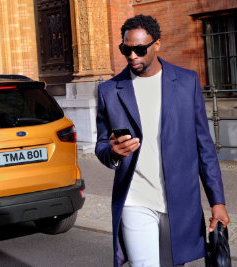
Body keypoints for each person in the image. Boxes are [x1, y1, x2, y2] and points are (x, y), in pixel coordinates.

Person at [95, 14, 230, 267]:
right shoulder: (109, 90)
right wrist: (113, 152)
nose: (132, 55)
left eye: (139, 49)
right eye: (126, 49)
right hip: (135, 198)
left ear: (157, 44)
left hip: (180, 200)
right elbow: (101, 145)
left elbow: (205, 148)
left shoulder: (186, 81)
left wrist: (217, 202)